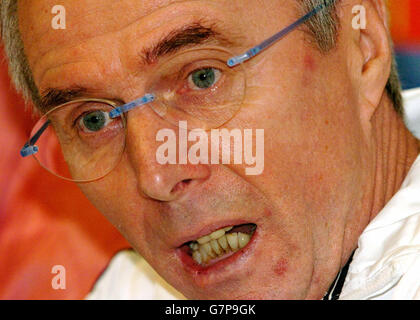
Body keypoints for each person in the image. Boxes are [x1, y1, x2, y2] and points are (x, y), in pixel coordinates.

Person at [1, 0, 419, 300]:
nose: (156, 175)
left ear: (362, 48)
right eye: (95, 120)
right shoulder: (132, 289)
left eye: (202, 77)